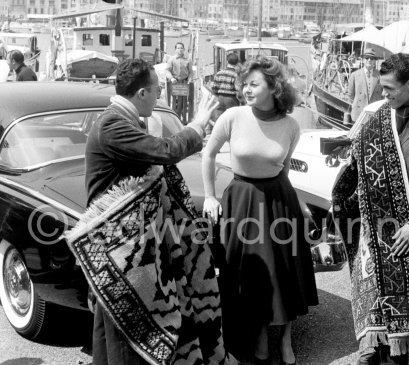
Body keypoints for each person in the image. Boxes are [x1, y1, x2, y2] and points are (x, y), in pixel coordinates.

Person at [75, 58, 233, 365]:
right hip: (117, 243)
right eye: (158, 90)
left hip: (122, 241)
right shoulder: (113, 126)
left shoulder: (121, 119)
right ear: (143, 93)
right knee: (128, 327)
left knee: (111, 322)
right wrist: (198, 122)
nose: (160, 95)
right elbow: (167, 152)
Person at [331, 53, 409, 365]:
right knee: (374, 287)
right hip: (377, 224)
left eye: (389, 88)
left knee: (408, 299)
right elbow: (360, 159)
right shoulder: (379, 116)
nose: (383, 93)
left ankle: (399, 354)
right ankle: (375, 345)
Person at [202, 56, 318, 364]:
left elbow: (282, 169)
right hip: (241, 201)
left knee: (285, 270)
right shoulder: (234, 116)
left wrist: (299, 203)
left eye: (254, 84)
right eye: (244, 84)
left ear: (274, 87)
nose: (246, 90)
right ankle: (259, 335)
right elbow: (208, 153)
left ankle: (286, 339)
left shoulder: (292, 126)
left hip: (279, 200)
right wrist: (210, 197)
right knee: (246, 272)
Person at [348, 48, 383, 123]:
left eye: (372, 58)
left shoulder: (380, 76)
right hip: (358, 114)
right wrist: (356, 106)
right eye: (367, 58)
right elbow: (350, 95)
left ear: (374, 61)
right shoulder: (354, 75)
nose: (369, 60)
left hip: (374, 115)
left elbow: (383, 95)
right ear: (363, 60)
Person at [166, 42, 193, 124]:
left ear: (184, 49)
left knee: (185, 102)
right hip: (175, 82)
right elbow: (167, 71)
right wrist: (171, 78)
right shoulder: (171, 59)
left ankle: (183, 119)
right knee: (175, 101)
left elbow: (190, 72)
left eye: (181, 48)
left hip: (184, 82)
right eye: (178, 48)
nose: (180, 50)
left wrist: (189, 80)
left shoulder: (188, 59)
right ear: (175, 50)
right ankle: (175, 118)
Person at [211, 52, 241, 122]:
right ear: (237, 63)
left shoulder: (219, 73)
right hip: (231, 99)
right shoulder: (236, 75)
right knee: (231, 119)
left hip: (220, 98)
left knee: (219, 119)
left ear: (227, 61)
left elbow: (214, 88)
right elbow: (238, 89)